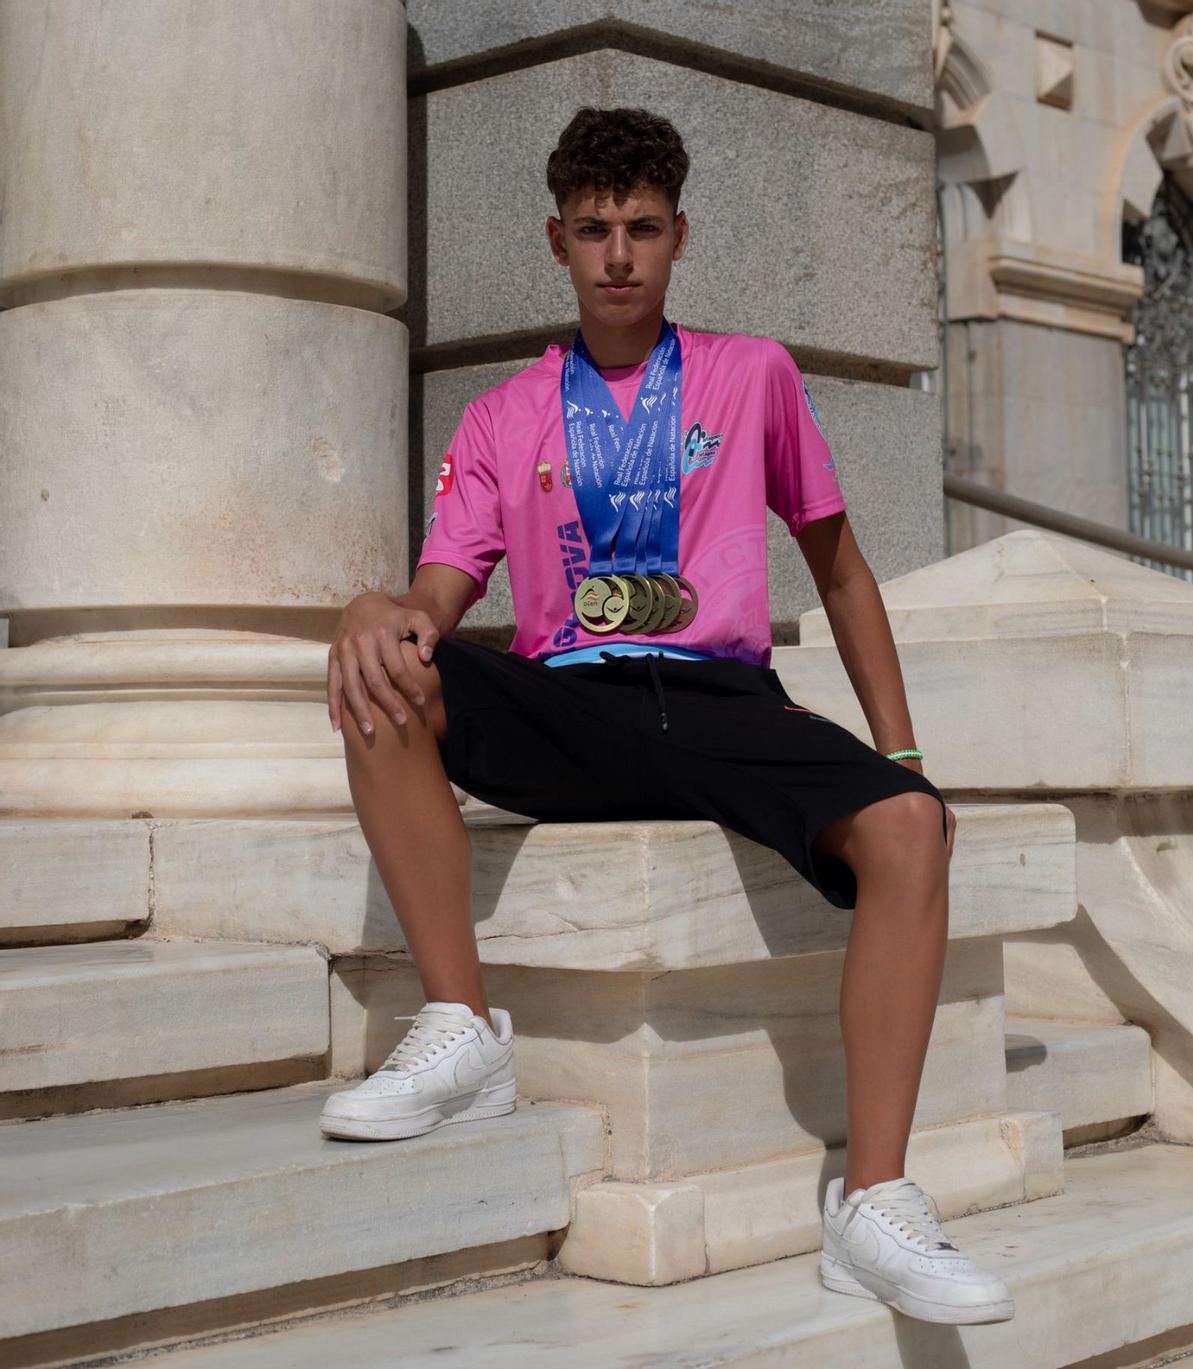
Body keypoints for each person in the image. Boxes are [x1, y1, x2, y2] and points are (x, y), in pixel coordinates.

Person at [320, 106, 1014, 1326]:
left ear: (680, 233)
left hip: (717, 693)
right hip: (572, 707)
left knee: (911, 826)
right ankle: (462, 1029)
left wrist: (901, 753)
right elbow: (442, 595)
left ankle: (874, 1205)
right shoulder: (503, 416)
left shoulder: (754, 375)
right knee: (383, 664)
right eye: (595, 230)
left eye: (643, 227)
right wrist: (377, 608)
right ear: (556, 241)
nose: (620, 256)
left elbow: (842, 571)